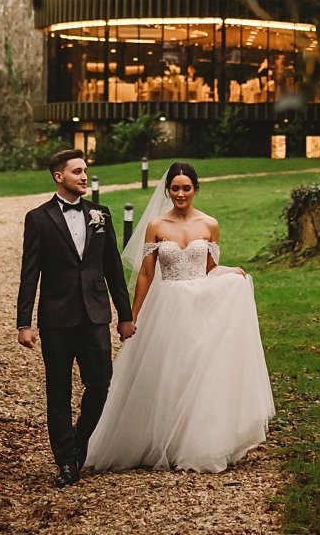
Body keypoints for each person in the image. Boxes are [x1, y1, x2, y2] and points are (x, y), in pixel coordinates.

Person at [83, 161, 274, 473]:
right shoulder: (157, 226)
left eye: (187, 188)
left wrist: (230, 274)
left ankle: (194, 442)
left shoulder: (209, 224)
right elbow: (146, 274)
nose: (181, 194)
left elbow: (210, 269)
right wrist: (131, 316)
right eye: (175, 188)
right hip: (167, 303)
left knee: (198, 370)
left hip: (201, 303)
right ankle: (158, 441)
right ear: (167, 190)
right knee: (166, 369)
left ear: (196, 189)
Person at [16, 148, 135, 488]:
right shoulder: (38, 218)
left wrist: (124, 316)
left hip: (95, 315)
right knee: (59, 390)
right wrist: (23, 323)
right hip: (56, 319)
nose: (84, 176)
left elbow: (112, 267)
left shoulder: (101, 214)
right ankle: (66, 463)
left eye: (85, 171)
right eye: (77, 171)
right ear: (59, 177)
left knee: (100, 385)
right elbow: (30, 274)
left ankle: (80, 445)